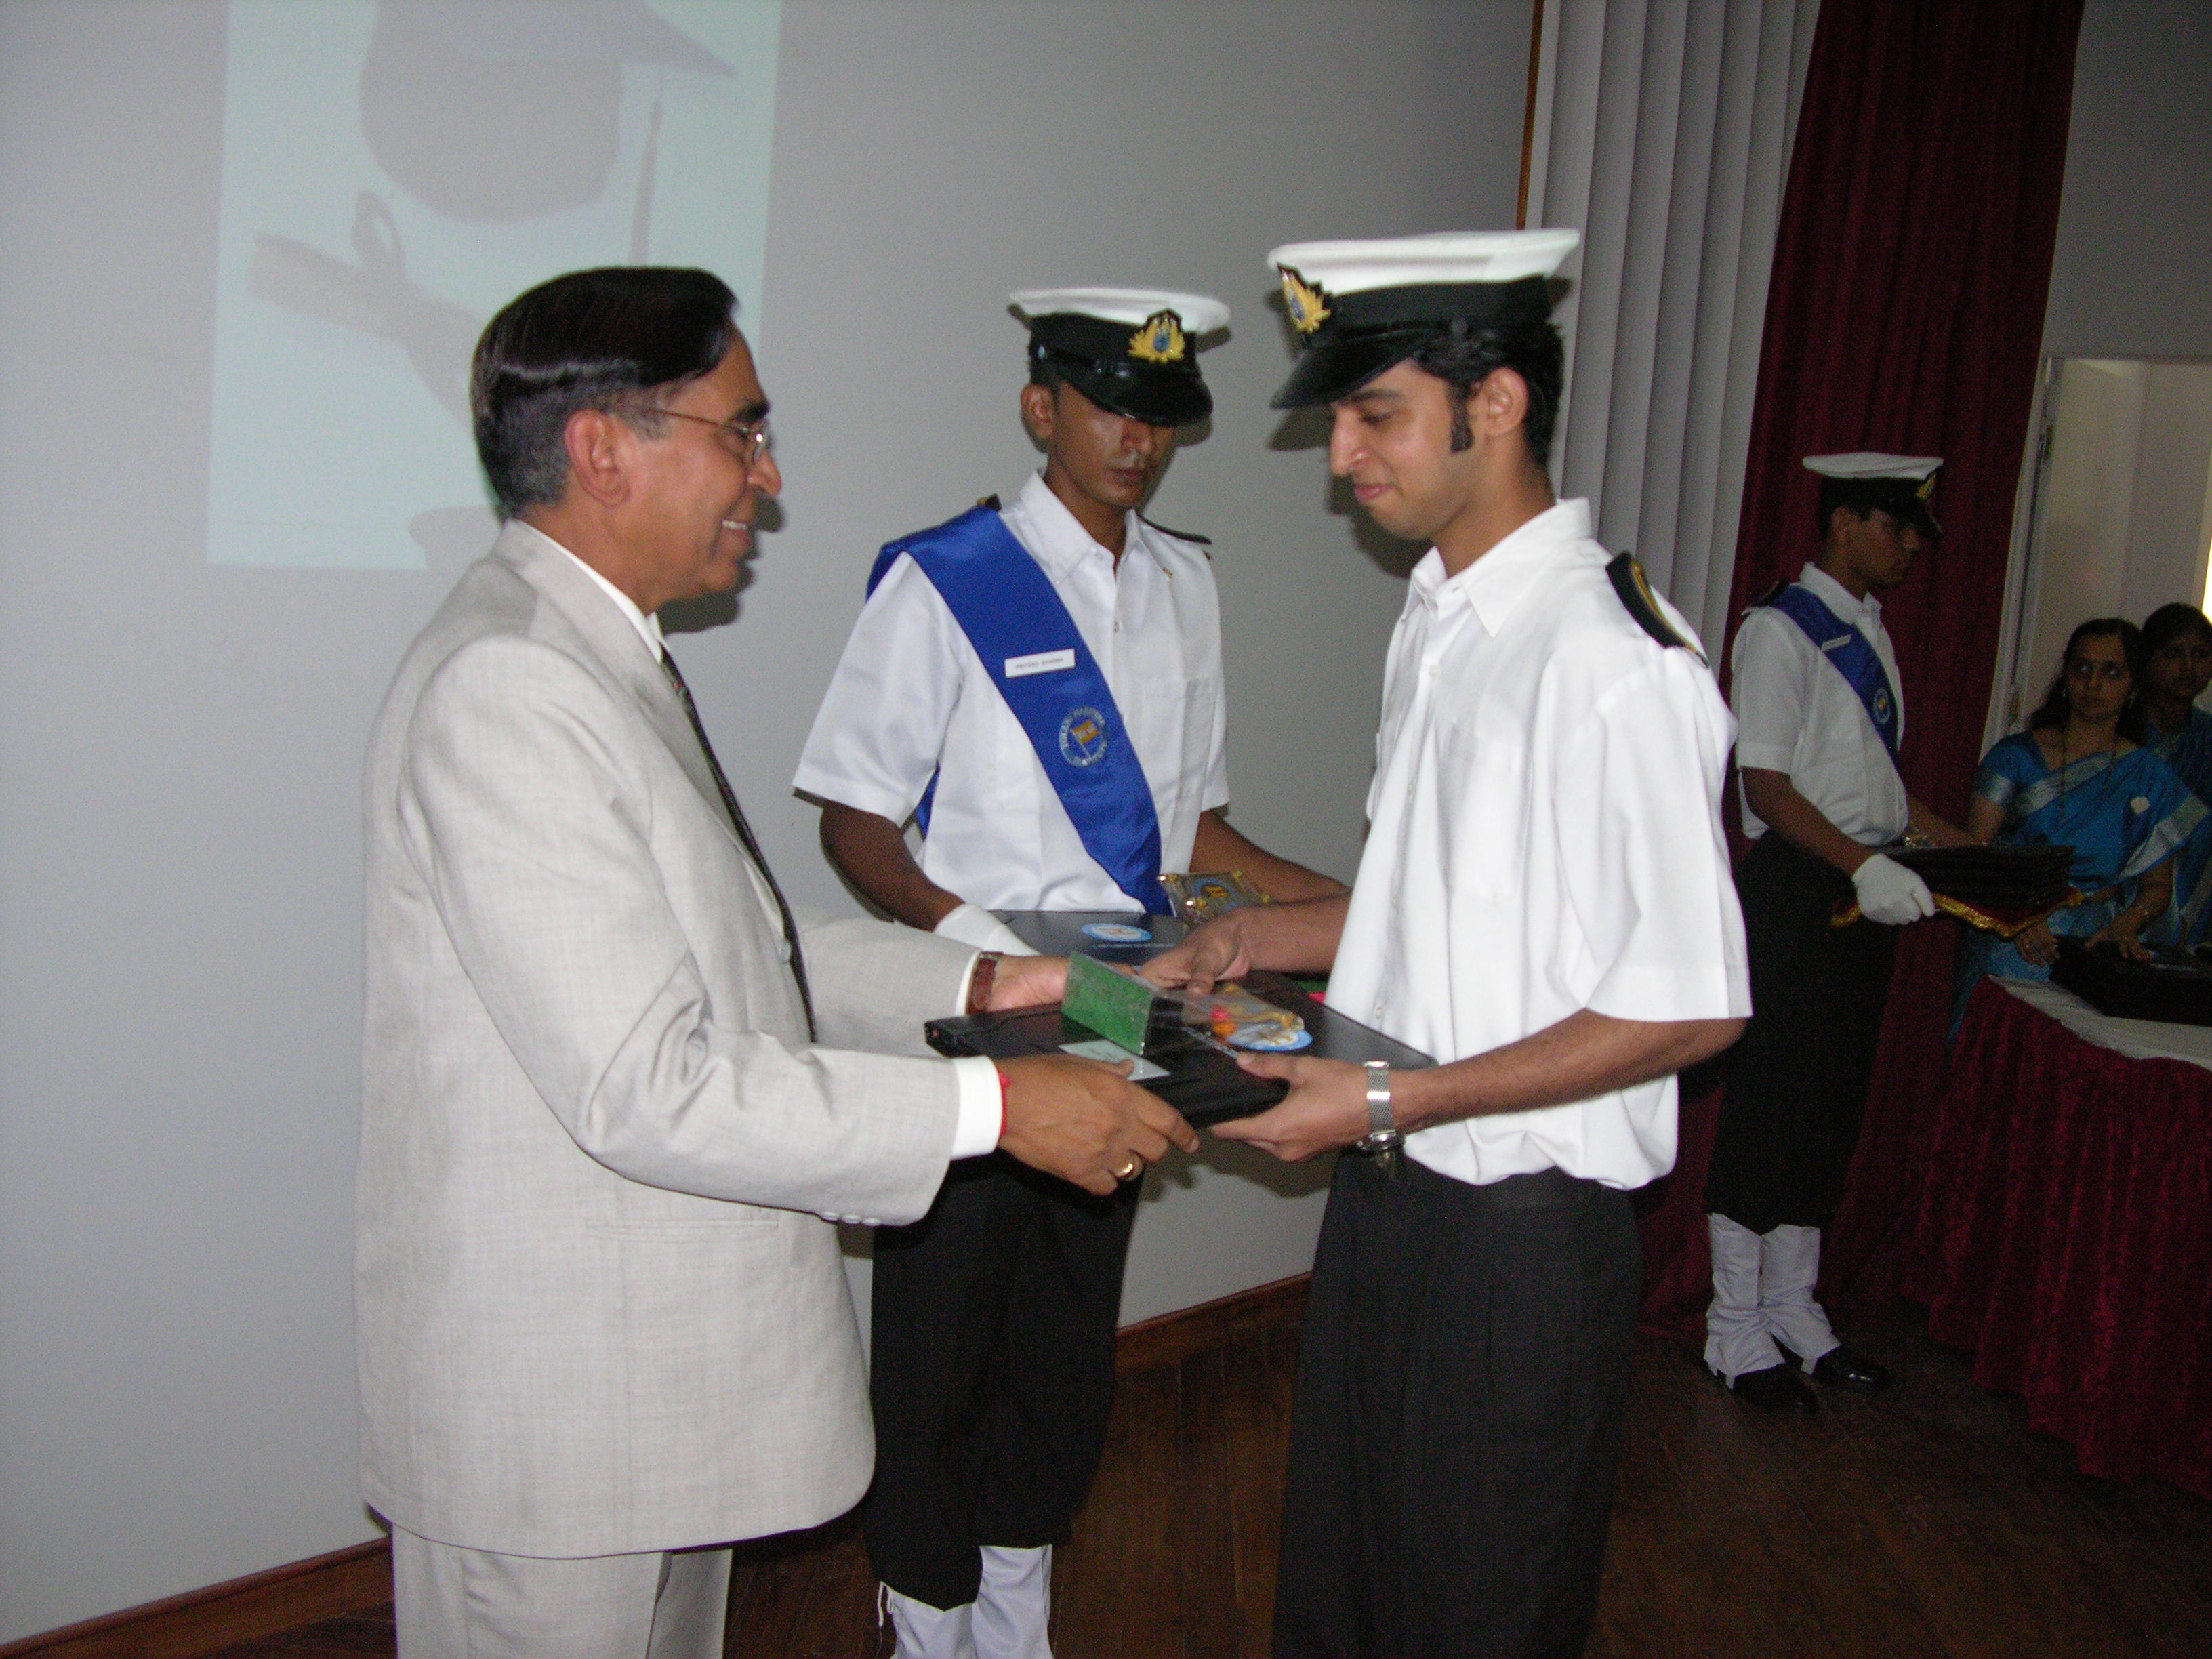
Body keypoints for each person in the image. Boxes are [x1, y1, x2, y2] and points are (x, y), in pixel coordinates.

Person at [357, 266, 1196, 1659]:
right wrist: (997, 1105)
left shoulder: (595, 652)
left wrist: (986, 986)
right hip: (560, 1436)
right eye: (740, 431)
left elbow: (735, 948)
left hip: (646, 1407)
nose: (769, 473)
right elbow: (649, 1083)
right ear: (602, 450)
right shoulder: (513, 685)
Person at [1143, 229, 1749, 1659]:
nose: (1341, 455)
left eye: (1375, 415)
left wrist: (1386, 1096)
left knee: (1475, 1612)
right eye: (1339, 418)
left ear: (1496, 404)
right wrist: (1253, 936)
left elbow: (1691, 1005)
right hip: (1393, 1196)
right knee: (1343, 1586)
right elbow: (1443, 902)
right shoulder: (1438, 617)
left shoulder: (1612, 661)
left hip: (1518, 1241)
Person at [794, 287, 1343, 1658]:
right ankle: (926, 1612)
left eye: (1162, 415)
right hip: (974, 1008)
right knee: (943, 1339)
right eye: (1108, 406)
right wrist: (979, 944)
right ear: (1041, 407)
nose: (1137, 439)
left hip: (1112, 1007)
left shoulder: (1185, 586)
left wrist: (1350, 910)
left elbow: (1192, 833)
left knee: (1063, 1328)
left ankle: (1017, 1605)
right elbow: (855, 819)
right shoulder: (948, 577)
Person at [1702, 454, 1975, 1415]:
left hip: (1869, 887)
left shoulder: (1870, 631)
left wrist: (1977, 856)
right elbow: (1767, 787)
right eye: (1898, 528)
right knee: (1772, 1101)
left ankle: (1793, 1307)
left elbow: (1881, 794)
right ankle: (1732, 1323)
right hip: (1801, 889)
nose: (1910, 550)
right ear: (1846, 520)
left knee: (1830, 1109)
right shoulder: (1780, 629)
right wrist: (1864, 866)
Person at [1954, 617, 2203, 1021]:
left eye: (2112, 672)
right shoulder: (2014, 757)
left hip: (2094, 947)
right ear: (2066, 676)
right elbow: (1973, 857)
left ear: (2133, 686)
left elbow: (2157, 888)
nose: (2093, 684)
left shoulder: (2148, 775)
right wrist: (2018, 917)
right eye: (2082, 668)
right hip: (2011, 936)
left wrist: (2124, 927)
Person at [2137, 602, 2212, 945]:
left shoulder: (2207, 739)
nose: (2188, 667)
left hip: (2195, 902)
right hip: (2118, 894)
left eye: (2201, 655)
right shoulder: (2120, 733)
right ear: (2147, 659)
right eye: (2173, 654)